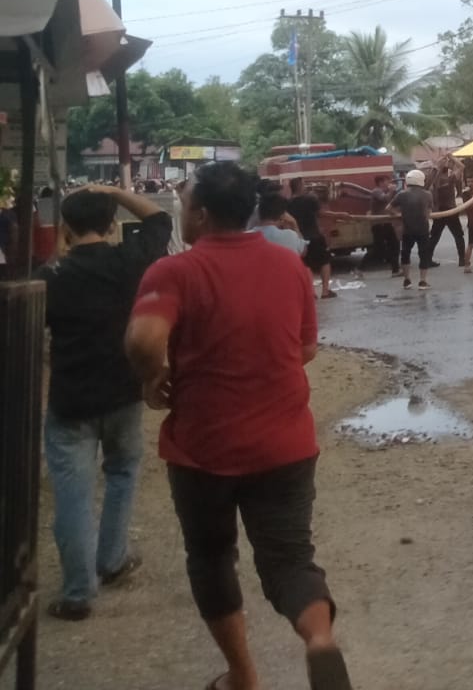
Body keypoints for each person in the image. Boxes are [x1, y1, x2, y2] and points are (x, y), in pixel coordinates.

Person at [125, 162, 352, 690]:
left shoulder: (174, 271)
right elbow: (306, 348)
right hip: (286, 443)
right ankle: (319, 640)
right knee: (291, 559)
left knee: (210, 556)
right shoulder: (288, 265)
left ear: (200, 214)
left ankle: (243, 677)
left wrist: (151, 377)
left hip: (205, 448)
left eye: (183, 205)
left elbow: (142, 341)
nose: (181, 213)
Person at [41, 184, 172, 620]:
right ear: (112, 225)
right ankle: (112, 560)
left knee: (73, 494)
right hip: (123, 390)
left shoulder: (51, 277)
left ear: (65, 230)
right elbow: (159, 219)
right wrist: (113, 189)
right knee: (121, 473)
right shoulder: (130, 262)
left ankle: (79, 593)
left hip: (70, 398)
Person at [285, 179, 335, 300]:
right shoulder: (310, 199)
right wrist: (341, 215)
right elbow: (320, 213)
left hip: (299, 237)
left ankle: (311, 292)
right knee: (324, 261)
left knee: (306, 265)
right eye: (304, 185)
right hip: (315, 235)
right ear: (300, 186)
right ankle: (325, 291)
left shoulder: (287, 203)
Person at [390, 169, 434, 290]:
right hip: (423, 229)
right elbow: (429, 212)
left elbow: (389, 208)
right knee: (423, 254)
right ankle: (423, 281)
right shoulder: (427, 194)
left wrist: (398, 215)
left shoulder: (402, 194)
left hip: (407, 229)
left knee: (405, 253)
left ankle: (407, 280)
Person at [424, 164, 467, 270]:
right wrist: (450, 157)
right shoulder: (450, 178)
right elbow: (461, 167)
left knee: (434, 236)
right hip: (450, 210)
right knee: (458, 235)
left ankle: (428, 259)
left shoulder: (434, 181)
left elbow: (429, 178)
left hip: (439, 211)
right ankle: (462, 259)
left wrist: (438, 164)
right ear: (447, 170)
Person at [253, 192, 308, 257]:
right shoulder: (290, 236)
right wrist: (295, 226)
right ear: (282, 215)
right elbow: (304, 251)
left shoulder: (248, 236)